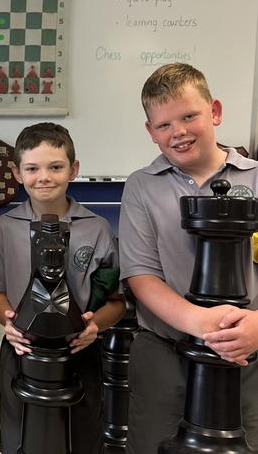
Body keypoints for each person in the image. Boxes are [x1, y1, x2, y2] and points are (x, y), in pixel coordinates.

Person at [119, 62, 258, 453]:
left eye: (189, 116)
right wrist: (199, 322)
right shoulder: (141, 187)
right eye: (163, 125)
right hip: (165, 351)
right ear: (151, 132)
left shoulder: (256, 179)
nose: (177, 132)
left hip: (248, 353)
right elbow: (141, 275)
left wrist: (255, 328)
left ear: (214, 111)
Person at [0, 123, 125, 454]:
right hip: (23, 351)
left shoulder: (97, 229)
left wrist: (95, 325)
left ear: (73, 170)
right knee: (21, 436)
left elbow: (118, 302)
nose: (43, 177)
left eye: (55, 167)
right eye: (32, 168)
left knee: (81, 436)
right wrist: (9, 322)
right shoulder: (5, 228)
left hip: (79, 351)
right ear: (17, 172)